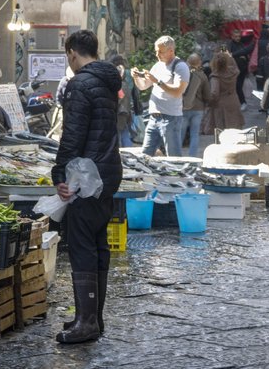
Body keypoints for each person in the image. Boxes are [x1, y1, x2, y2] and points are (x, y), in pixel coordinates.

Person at [51, 30, 122, 344]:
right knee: (97, 242)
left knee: (81, 244)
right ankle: (94, 316)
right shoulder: (108, 81)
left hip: (85, 174)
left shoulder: (80, 83)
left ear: (71, 53)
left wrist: (59, 173)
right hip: (107, 171)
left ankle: (86, 322)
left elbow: (72, 135)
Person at [132, 36, 190, 157]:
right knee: (145, 156)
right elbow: (143, 86)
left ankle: (176, 176)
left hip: (170, 118)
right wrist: (136, 77)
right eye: (156, 51)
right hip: (153, 118)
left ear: (171, 51)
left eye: (160, 52)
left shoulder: (180, 67)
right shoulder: (158, 66)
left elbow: (178, 92)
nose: (157, 55)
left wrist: (157, 82)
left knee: (173, 157)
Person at [181, 54, 212, 158]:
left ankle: (176, 155)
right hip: (198, 108)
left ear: (187, 62)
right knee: (195, 133)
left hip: (183, 107)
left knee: (180, 132)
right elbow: (207, 94)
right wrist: (208, 103)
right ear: (199, 63)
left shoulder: (182, 74)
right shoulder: (202, 75)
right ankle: (192, 157)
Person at [208, 50, 245, 131]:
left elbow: (214, 94)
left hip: (221, 106)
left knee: (222, 132)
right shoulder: (232, 72)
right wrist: (230, 56)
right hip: (233, 102)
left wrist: (209, 103)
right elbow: (236, 67)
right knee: (235, 129)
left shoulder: (215, 77)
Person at [110, 56, 139, 148]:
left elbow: (119, 99)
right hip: (126, 113)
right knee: (125, 133)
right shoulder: (124, 84)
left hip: (119, 114)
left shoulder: (119, 86)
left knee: (119, 136)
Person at [229, 29, 255, 108]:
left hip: (242, 69)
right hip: (233, 69)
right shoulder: (228, 44)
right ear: (232, 37)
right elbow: (225, 55)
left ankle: (242, 102)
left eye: (239, 36)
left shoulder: (241, 44)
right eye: (236, 36)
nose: (238, 38)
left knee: (239, 86)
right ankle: (241, 102)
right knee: (236, 86)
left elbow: (245, 53)